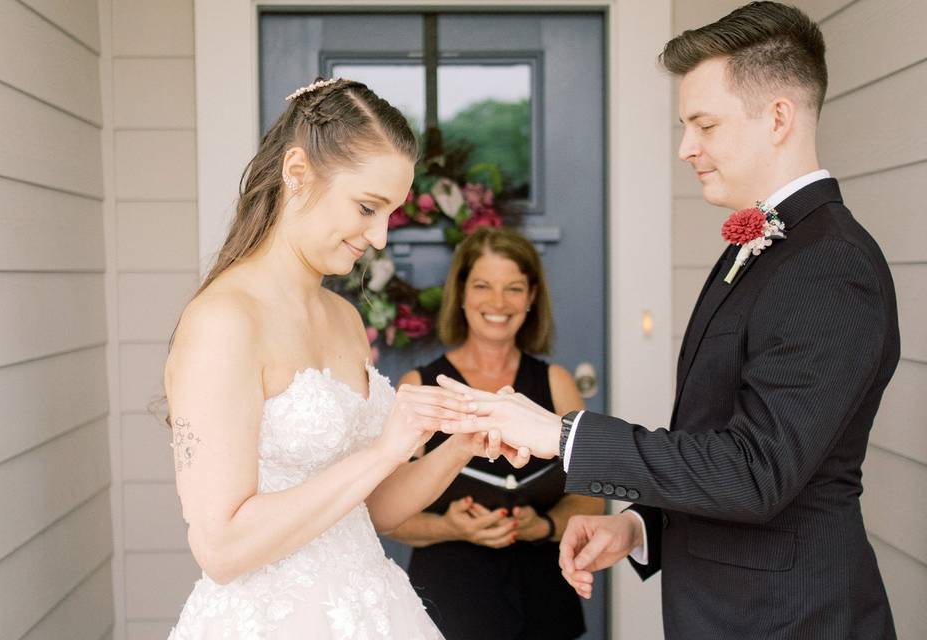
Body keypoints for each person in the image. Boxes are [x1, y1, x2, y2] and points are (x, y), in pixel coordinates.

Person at [438, 3, 900, 638]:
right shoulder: (762, 246)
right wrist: (638, 526)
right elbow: (724, 443)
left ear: (778, 118)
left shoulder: (829, 264)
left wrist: (563, 437)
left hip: (788, 620)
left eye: (704, 125)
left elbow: (759, 472)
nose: (686, 148)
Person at [165, 78, 514, 639]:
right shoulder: (224, 321)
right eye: (367, 208)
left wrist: (462, 444)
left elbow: (370, 512)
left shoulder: (344, 319)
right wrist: (384, 451)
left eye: (390, 215)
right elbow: (221, 548)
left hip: (371, 608)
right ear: (297, 172)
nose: (378, 238)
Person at [387, 227, 603, 639]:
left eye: (514, 288)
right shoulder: (420, 385)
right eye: (483, 286)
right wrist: (451, 527)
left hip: (543, 595)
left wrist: (545, 525)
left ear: (532, 297)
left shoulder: (556, 382)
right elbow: (386, 514)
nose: (498, 302)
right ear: (462, 294)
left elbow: (590, 498)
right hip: (448, 596)